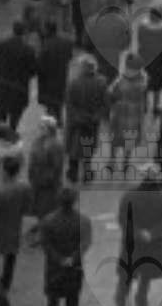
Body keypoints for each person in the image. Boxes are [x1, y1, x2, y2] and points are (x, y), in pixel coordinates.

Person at [113, 163, 162, 306]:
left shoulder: (129, 196)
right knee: (146, 275)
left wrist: (137, 232)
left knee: (127, 272)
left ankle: (121, 297)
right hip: (153, 243)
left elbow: (123, 219)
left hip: (132, 242)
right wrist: (152, 234)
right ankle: (141, 301)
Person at [39, 184, 91, 306]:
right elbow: (86, 242)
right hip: (75, 265)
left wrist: (59, 259)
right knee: (73, 294)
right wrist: (72, 258)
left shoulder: (48, 220)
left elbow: (46, 244)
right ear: (75, 200)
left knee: (53, 295)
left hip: (54, 265)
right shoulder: (84, 221)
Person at [0, 153, 29, 289]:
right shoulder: (24, 187)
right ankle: (6, 282)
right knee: (10, 256)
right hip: (14, 226)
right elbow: (26, 207)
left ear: (5, 171)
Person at [63, 53, 107, 185]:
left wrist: (77, 118)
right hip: (92, 122)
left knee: (74, 148)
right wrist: (96, 117)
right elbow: (105, 104)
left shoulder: (73, 83)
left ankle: (73, 173)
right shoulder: (101, 82)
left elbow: (69, 104)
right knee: (88, 147)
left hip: (76, 123)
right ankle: (87, 173)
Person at [0, 20, 36, 132]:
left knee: (2, 111)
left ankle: (0, 132)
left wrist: (1, 70)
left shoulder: (0, 45)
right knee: (16, 112)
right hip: (20, 86)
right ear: (24, 32)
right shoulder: (28, 49)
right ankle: (12, 130)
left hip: (4, 83)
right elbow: (33, 70)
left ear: (13, 30)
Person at [106, 50, 148, 167]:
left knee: (127, 139)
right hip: (122, 115)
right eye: (128, 68)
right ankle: (114, 160)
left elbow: (112, 93)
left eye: (131, 68)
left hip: (129, 116)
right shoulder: (127, 80)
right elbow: (111, 93)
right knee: (116, 139)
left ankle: (123, 160)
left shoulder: (137, 82)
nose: (129, 70)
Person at [25, 116, 64, 241]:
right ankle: (41, 225)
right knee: (38, 206)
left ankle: (45, 233)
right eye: (40, 127)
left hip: (47, 184)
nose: (40, 129)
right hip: (37, 180)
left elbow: (56, 167)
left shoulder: (55, 145)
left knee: (46, 207)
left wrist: (46, 180)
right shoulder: (39, 140)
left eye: (43, 127)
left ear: (50, 129)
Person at [134, 6, 162, 114]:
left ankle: (144, 105)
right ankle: (156, 106)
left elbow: (140, 40)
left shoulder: (142, 25)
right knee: (158, 83)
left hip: (145, 56)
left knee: (145, 81)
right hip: (160, 59)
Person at [34, 20, 71, 122]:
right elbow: (69, 56)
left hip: (48, 80)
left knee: (50, 105)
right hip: (61, 77)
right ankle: (59, 120)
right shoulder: (66, 43)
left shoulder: (46, 45)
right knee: (58, 103)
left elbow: (39, 63)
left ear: (47, 30)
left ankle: (52, 123)